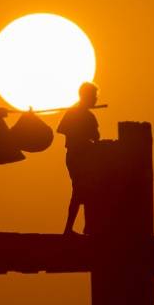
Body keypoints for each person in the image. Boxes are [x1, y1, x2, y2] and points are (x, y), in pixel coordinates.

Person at [58, 81, 100, 235]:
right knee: (79, 191)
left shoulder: (80, 114)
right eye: (94, 96)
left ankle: (88, 227)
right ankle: (69, 229)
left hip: (81, 157)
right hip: (77, 157)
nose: (96, 99)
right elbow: (95, 136)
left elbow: (95, 137)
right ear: (87, 96)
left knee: (87, 190)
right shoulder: (80, 114)